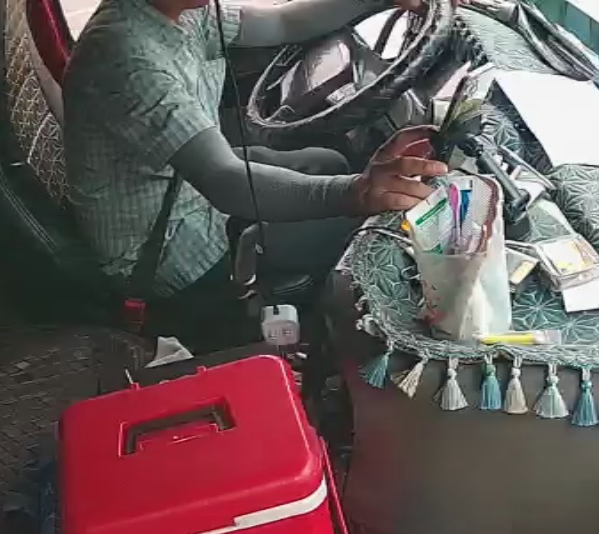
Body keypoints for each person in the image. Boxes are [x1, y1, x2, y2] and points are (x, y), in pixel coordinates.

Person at [63, 0, 448, 349]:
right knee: (370, 230)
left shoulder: (181, 12)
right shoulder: (127, 58)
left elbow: (282, 23)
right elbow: (226, 181)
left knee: (325, 163)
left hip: (181, 187)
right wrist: (359, 192)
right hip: (166, 249)